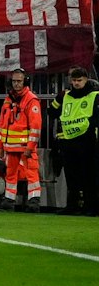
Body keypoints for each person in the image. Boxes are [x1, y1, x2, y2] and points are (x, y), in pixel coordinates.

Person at [0, 70, 43, 211]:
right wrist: (0, 146)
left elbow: (36, 127)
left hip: (25, 146)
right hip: (10, 146)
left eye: (19, 81)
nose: (16, 84)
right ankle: (9, 200)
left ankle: (34, 201)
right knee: (10, 174)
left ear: (25, 82)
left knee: (31, 173)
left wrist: (30, 147)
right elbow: (2, 125)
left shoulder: (31, 100)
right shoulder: (8, 100)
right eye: (14, 81)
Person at [52, 67, 97, 216]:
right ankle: (73, 205)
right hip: (69, 141)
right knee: (71, 177)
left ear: (86, 79)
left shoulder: (95, 95)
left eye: (79, 80)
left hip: (87, 141)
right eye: (74, 80)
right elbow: (51, 112)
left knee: (88, 175)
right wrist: (58, 99)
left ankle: (90, 207)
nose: (76, 83)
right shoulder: (65, 96)